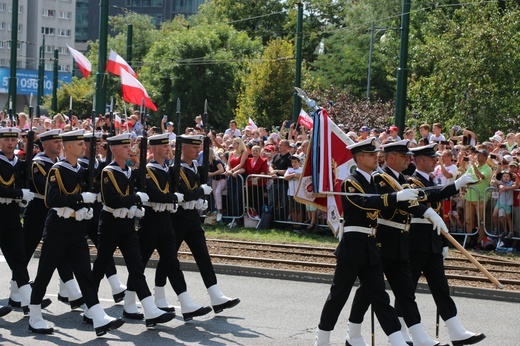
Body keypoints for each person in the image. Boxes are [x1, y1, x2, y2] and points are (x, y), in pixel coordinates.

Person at [313, 137, 422, 346]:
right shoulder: (350, 182)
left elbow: (382, 201)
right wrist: (396, 197)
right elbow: (365, 202)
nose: (376, 158)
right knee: (339, 295)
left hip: (371, 245)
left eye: (376, 154)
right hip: (353, 245)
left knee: (380, 297)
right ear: (359, 158)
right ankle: (323, 337)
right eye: (371, 155)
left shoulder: (375, 181)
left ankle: (397, 340)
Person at [345, 140, 451, 346]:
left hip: (402, 240)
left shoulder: (401, 179)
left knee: (405, 292)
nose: (408, 160)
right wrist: (417, 206)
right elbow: (388, 203)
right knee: (368, 291)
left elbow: (415, 200)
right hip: (383, 240)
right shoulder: (380, 178)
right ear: (392, 157)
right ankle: (353, 332)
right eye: (404, 157)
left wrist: (429, 211)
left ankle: (419, 336)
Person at [28, 129, 124, 336]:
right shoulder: (57, 170)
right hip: (57, 230)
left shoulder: (80, 168)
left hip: (76, 230)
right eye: (80, 144)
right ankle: (35, 317)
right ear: (69, 146)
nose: (84, 147)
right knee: (44, 273)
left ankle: (98, 317)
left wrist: (86, 206)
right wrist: (81, 201)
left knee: (84, 274)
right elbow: (51, 200)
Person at [403, 143, 485, 346]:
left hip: (432, 241)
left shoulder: (431, 180)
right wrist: (456, 184)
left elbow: (437, 210)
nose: (435, 161)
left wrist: (441, 241)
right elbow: (431, 195)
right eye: (432, 158)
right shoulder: (411, 182)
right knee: (407, 289)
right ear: (420, 161)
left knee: (441, 287)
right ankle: (401, 332)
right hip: (415, 242)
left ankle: (456, 330)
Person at [124, 133, 212, 322]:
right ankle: (129, 303)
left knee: (173, 263)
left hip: (166, 221)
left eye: (169, 146)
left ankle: (186, 303)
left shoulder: (169, 170)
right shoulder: (147, 170)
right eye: (164, 147)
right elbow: (153, 194)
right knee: (140, 263)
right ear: (154, 149)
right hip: (150, 222)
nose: (168, 149)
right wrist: (174, 198)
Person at [92, 132, 175, 328]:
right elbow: (112, 200)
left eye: (129, 145)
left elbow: (128, 197)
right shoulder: (108, 172)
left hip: (127, 225)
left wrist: (134, 207)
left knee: (137, 268)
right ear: (114, 150)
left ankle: (149, 310)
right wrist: (136, 199)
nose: (129, 149)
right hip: (111, 224)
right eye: (124, 147)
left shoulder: (129, 172)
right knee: (101, 264)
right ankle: (90, 306)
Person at [160, 134, 240, 319]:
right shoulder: (174, 169)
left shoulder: (196, 167)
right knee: (169, 259)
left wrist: (200, 200)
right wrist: (198, 193)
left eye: (199, 147)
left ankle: (216, 295)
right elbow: (181, 192)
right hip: (178, 218)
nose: (198, 151)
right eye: (194, 148)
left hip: (193, 218)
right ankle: (159, 296)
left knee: (203, 256)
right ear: (184, 148)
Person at [17, 130, 65, 310]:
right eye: (55, 142)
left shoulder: (59, 163)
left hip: (53, 210)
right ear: (45, 145)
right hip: (38, 209)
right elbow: (44, 187)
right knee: (27, 250)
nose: (59, 144)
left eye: (60, 141)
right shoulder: (38, 163)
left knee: (59, 249)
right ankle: (17, 291)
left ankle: (69, 291)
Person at [77, 132, 127, 304]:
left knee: (103, 251)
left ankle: (115, 286)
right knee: (71, 251)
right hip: (81, 210)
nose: (97, 146)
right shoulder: (78, 164)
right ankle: (66, 288)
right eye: (91, 143)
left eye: (98, 143)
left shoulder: (100, 163)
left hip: (96, 209)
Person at [0, 127, 37, 319]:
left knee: (19, 258)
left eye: (13, 140)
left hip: (12, 214)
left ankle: (27, 300)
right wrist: (18, 194)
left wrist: (21, 197)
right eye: (6, 140)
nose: (10, 143)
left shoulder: (18, 162)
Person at [464, 147, 492, 244]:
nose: (477, 156)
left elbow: (481, 176)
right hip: (469, 197)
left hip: (481, 198)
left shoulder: (487, 168)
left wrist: (473, 166)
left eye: (480, 154)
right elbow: (465, 177)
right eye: (477, 154)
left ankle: (480, 241)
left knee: (481, 221)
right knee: (468, 220)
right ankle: (468, 240)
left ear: (485, 157)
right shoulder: (473, 166)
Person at [268, 139, 292, 221]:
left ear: (286, 146)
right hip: (275, 183)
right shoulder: (276, 156)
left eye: (281, 145)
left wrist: (277, 171)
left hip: (284, 184)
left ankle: (283, 221)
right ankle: (271, 220)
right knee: (271, 202)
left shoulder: (290, 158)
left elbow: (289, 171)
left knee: (284, 204)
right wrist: (272, 172)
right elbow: (271, 166)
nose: (279, 146)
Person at [224, 137, 247, 220]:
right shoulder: (231, 153)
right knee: (231, 196)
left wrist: (232, 170)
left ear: (239, 144)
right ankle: (231, 216)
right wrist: (227, 170)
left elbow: (241, 164)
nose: (233, 145)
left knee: (238, 197)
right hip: (232, 176)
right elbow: (228, 164)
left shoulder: (244, 152)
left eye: (234, 143)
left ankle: (238, 218)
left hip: (239, 176)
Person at [244, 145, 269, 219]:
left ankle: (260, 216)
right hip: (250, 184)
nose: (255, 152)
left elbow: (264, 171)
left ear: (259, 152)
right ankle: (252, 215)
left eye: (256, 150)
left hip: (260, 184)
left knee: (259, 200)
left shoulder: (264, 160)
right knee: (250, 200)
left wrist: (256, 178)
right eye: (253, 150)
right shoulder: (248, 160)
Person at [492, 170, 514, 237]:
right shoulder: (500, 182)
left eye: (507, 176)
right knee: (494, 215)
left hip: (507, 204)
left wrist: (502, 186)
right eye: (504, 176)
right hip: (500, 203)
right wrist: (498, 182)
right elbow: (493, 181)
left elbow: (505, 188)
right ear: (502, 178)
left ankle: (510, 231)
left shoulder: (511, 183)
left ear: (510, 178)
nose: (506, 177)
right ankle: (499, 229)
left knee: (508, 218)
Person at [284, 155, 304, 227]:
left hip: (299, 193)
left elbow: (301, 177)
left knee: (299, 209)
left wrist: (292, 176)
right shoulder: (289, 170)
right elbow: (286, 177)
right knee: (293, 210)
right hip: (291, 193)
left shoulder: (302, 169)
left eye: (295, 162)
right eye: (292, 162)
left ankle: (300, 225)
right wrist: (294, 174)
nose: (294, 163)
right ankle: (294, 224)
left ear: (299, 162)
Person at [208, 148, 226, 222]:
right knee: (215, 194)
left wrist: (212, 174)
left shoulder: (216, 160)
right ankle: (216, 210)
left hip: (221, 179)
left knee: (218, 193)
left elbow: (221, 170)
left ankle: (219, 212)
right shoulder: (209, 162)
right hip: (214, 180)